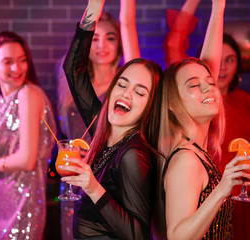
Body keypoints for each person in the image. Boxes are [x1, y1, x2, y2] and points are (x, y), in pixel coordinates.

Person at [163, 0, 250, 239]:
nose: (209, 87)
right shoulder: (185, 158)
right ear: (173, 103)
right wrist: (224, 188)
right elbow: (176, 236)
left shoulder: (199, 150)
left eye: (210, 82)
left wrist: (219, 8)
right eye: (195, 84)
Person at [59, 0, 162, 239]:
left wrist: (93, 187)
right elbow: (73, 69)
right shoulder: (103, 129)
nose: (126, 93)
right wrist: (95, 3)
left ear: (150, 106)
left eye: (139, 92)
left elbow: (138, 235)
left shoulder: (132, 155)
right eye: (122, 84)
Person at [0, 31, 57, 239]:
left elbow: (26, 160)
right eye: (8, 62)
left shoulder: (29, 94)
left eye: (22, 60)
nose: (17, 68)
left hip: (22, 205)